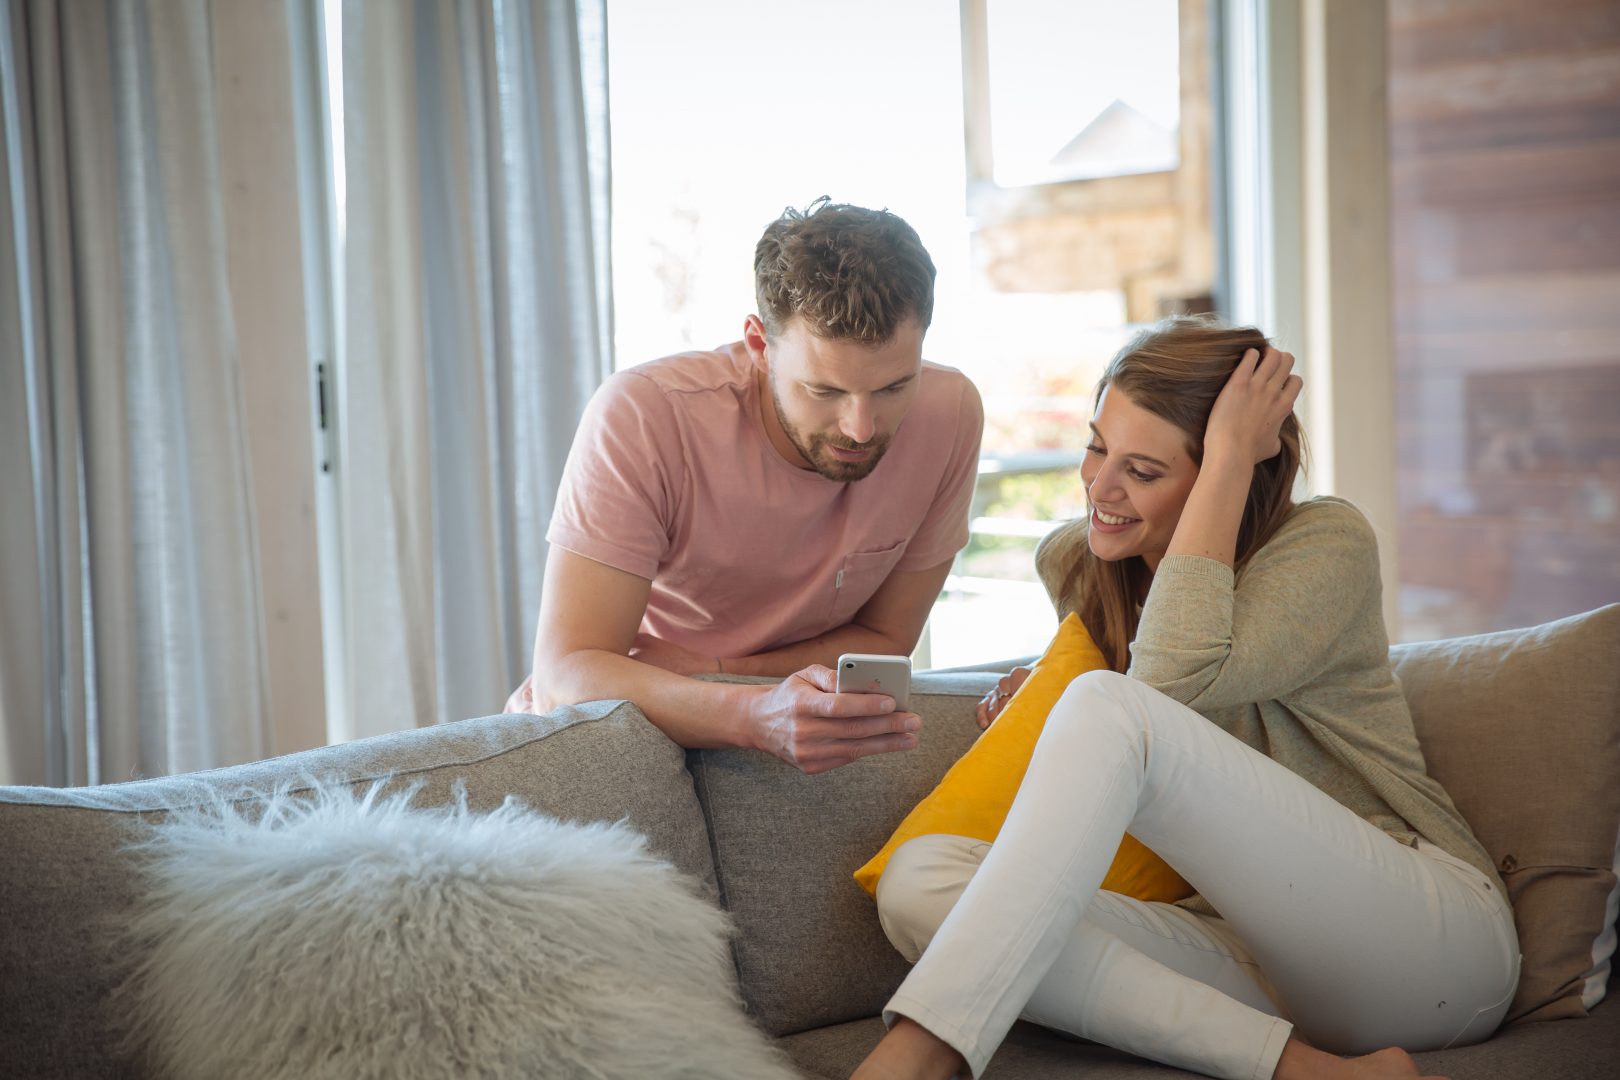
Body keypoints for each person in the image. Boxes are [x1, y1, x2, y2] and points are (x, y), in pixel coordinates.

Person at [853, 317, 1517, 1080]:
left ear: (1221, 478)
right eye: (1098, 446)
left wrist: (1231, 452)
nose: (1099, 488)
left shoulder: (1325, 545)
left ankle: (923, 1048)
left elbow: (1161, 689)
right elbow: (1137, 729)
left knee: (1109, 706)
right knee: (920, 880)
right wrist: (1049, 699)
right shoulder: (1084, 566)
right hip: (1252, 961)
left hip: (1428, 945)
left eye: (1142, 470)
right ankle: (1301, 1070)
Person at [507, 199, 984, 774]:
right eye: (824, 391)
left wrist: (715, 669)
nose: (861, 428)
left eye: (892, 388)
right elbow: (565, 673)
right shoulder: (646, 414)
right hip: (616, 732)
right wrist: (755, 714)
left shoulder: (950, 413)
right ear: (759, 345)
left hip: (769, 712)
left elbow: (885, 639)